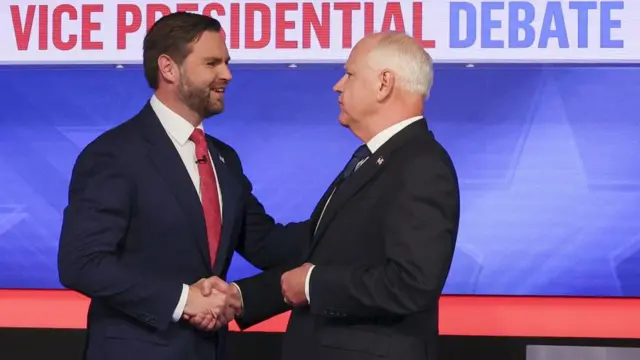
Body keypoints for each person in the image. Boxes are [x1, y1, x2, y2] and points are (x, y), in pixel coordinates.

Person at [57, 12, 308, 360]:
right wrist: (182, 299)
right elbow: (81, 263)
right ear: (169, 69)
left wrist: (340, 220)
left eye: (226, 62)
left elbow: (265, 244)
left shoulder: (225, 159)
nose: (227, 74)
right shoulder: (114, 154)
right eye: (212, 63)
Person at [209, 32, 461, 360]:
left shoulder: (421, 165)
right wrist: (243, 297)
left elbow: (410, 284)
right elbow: (316, 249)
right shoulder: (375, 161)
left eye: (350, 74)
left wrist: (313, 284)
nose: (338, 86)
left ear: (384, 83)